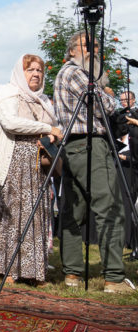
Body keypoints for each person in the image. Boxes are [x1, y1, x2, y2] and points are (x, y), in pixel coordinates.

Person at [54, 31, 129, 293]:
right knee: (109, 207)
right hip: (89, 145)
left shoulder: (73, 73)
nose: (93, 50)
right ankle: (114, 277)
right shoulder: (75, 72)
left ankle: (72, 274)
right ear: (72, 50)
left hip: (76, 146)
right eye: (87, 45)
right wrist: (110, 96)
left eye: (96, 45)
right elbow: (103, 105)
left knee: (74, 212)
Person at [0, 54, 61, 285]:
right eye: (30, 70)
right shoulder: (7, 93)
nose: (36, 74)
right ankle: (9, 269)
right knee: (14, 216)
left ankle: (34, 271)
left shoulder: (43, 100)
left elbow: (55, 129)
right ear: (19, 73)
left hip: (37, 164)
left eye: (39, 70)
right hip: (14, 162)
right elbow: (10, 123)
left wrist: (51, 133)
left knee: (36, 216)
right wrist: (47, 128)